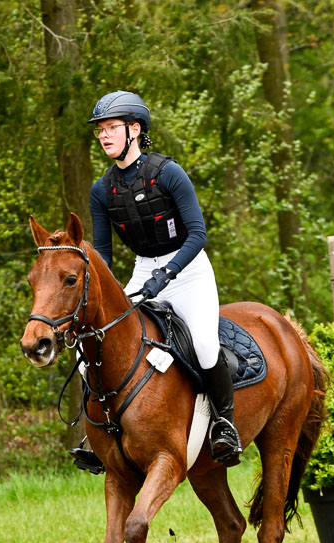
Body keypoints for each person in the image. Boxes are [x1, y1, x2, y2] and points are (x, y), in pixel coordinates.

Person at [87, 90, 242, 466]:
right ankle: (97, 431)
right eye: (100, 131)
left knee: (204, 344)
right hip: (143, 269)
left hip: (187, 269)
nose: (104, 136)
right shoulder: (101, 190)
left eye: (111, 128)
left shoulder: (168, 172)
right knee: (93, 342)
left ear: (134, 129)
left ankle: (225, 424)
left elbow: (198, 233)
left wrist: (168, 273)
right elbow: (103, 255)